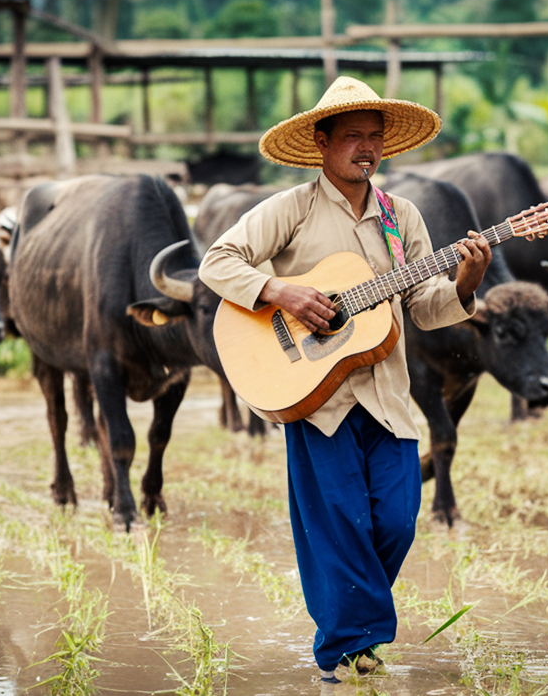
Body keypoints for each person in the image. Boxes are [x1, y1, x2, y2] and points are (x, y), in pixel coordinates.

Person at [198, 76, 491, 683]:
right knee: (337, 525)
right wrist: (280, 290)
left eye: (375, 137)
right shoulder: (290, 210)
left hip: (386, 396)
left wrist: (463, 285)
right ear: (322, 142)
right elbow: (217, 262)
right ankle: (349, 652)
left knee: (396, 519)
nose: (367, 148)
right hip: (317, 395)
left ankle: (350, 627)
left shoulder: (399, 216)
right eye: (353, 136)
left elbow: (425, 307)